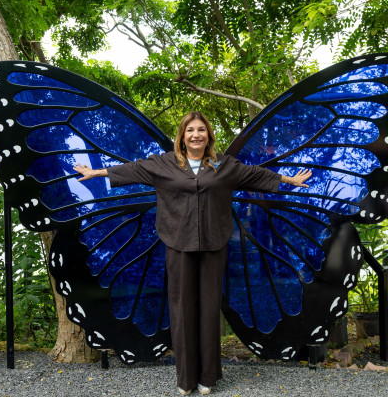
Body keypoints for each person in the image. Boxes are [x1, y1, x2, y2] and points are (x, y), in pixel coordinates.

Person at [73, 111, 312, 395]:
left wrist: (289, 180)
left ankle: (208, 377)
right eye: (190, 130)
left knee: (209, 309)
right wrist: (96, 173)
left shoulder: (223, 165)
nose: (196, 135)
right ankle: (186, 379)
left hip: (213, 244)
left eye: (201, 130)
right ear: (182, 136)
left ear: (208, 135)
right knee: (182, 310)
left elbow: (255, 174)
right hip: (178, 244)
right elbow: (133, 169)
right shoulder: (164, 163)